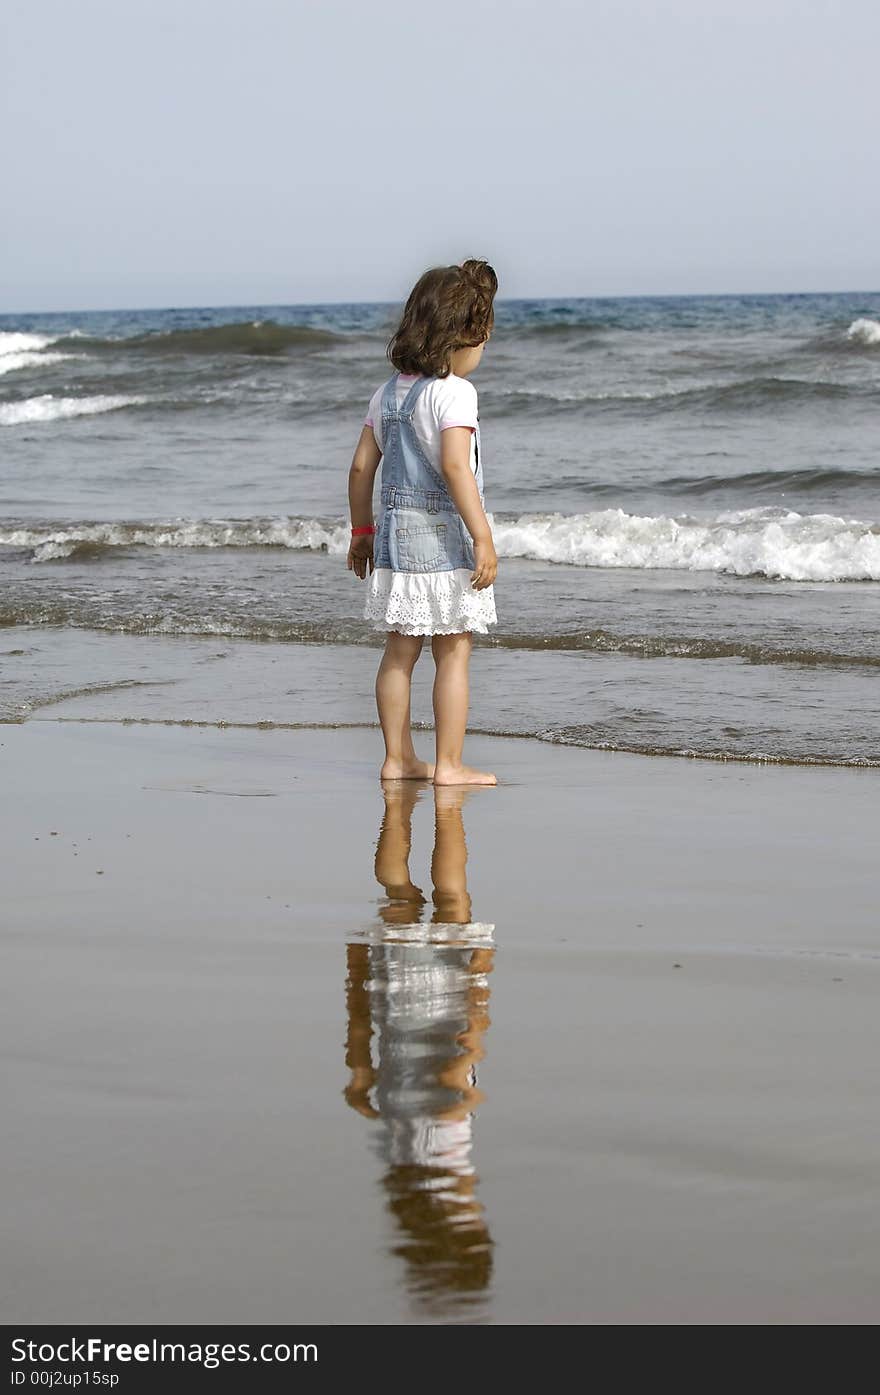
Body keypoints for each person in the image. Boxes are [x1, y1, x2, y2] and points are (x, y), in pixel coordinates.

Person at [347, 259, 499, 786]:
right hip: (441, 542)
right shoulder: (455, 392)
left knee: (399, 651)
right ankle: (449, 765)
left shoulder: (388, 392)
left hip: (392, 540)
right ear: (464, 336)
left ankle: (397, 759)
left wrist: (361, 533)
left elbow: (362, 467)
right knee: (454, 650)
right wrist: (482, 536)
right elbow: (457, 467)